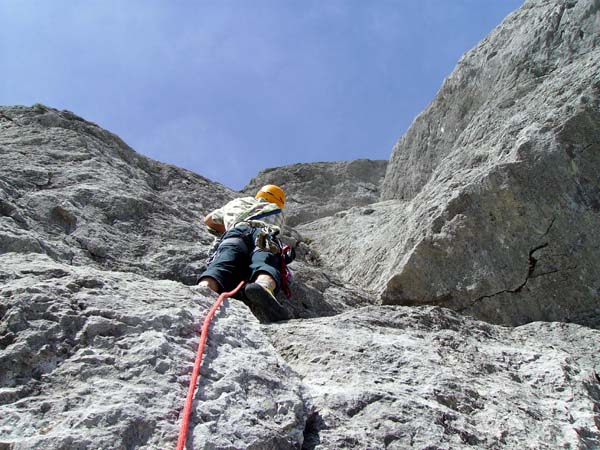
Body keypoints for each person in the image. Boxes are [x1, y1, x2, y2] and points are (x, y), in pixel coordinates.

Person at [198, 184, 290, 322]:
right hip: (264, 233)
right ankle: (263, 286)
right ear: (279, 201)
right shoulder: (278, 211)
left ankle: (203, 290)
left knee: (222, 263)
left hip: (235, 233)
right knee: (264, 260)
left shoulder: (237, 202)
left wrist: (229, 226)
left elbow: (209, 220)